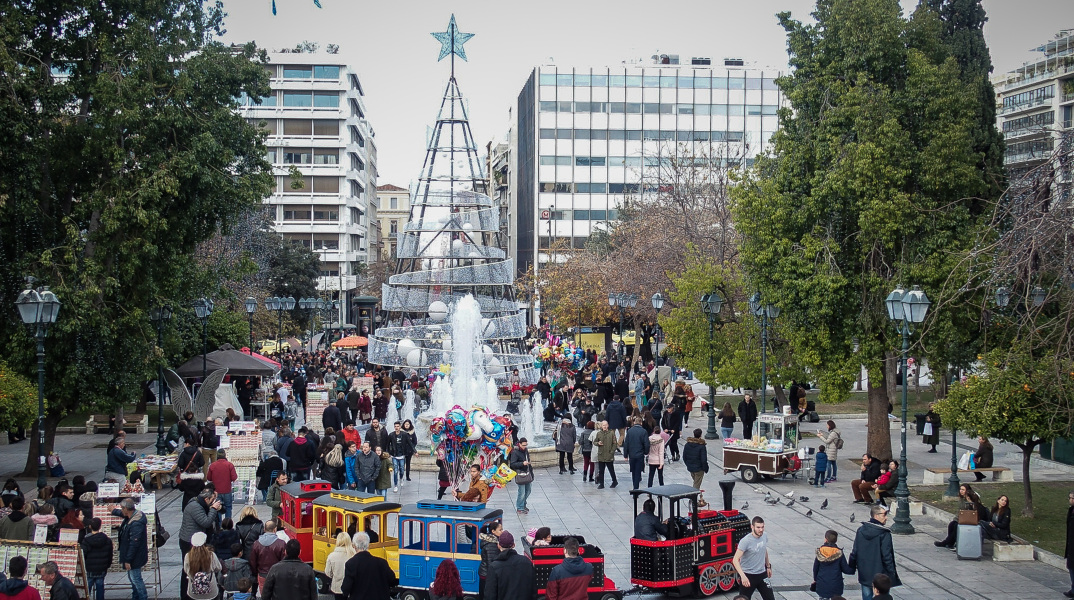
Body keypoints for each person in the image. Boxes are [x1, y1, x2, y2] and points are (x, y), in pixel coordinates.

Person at [849, 504, 900, 600]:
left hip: (864, 573)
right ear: (876, 516)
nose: (886, 517)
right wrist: (892, 573)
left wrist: (851, 567)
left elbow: (855, 551)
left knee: (866, 597)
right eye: (884, 514)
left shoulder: (861, 530)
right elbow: (886, 555)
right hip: (881, 574)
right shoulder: (884, 533)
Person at [341, 531, 397, 600]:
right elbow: (392, 581)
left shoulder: (351, 564)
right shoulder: (382, 563)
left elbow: (346, 589)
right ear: (368, 545)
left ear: (354, 546)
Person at [112, 498, 148, 600]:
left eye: (122, 508)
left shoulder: (136, 523)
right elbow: (122, 514)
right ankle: (136, 597)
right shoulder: (132, 516)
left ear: (126, 509)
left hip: (135, 557)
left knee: (136, 579)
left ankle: (142, 597)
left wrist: (128, 560)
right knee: (133, 579)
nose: (121, 510)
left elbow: (134, 543)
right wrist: (114, 511)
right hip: (133, 555)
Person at [732, 516, 775, 600]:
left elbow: (764, 550)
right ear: (752, 527)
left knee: (770, 598)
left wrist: (768, 566)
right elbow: (735, 560)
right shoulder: (746, 541)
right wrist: (743, 576)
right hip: (748, 575)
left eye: (762, 527)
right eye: (758, 527)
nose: (761, 530)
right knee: (744, 598)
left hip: (762, 574)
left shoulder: (764, 536)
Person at [933, 483, 988, 549]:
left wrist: (970, 502)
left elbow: (974, 512)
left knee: (956, 526)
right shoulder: (962, 499)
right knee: (952, 524)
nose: (961, 491)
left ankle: (946, 542)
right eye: (960, 489)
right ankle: (950, 543)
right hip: (961, 519)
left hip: (970, 521)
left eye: (963, 489)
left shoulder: (973, 501)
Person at [485, 530, 536, 600]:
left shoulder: (494, 567)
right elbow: (533, 589)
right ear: (513, 545)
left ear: (499, 545)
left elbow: (490, 595)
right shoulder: (526, 562)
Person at [812, 529, 853, 600]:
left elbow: (815, 568)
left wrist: (816, 579)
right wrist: (853, 563)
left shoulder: (820, 552)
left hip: (822, 584)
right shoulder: (839, 553)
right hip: (836, 585)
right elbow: (847, 570)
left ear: (825, 539)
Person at [80, 518, 113, 600]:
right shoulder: (107, 540)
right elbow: (110, 554)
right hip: (102, 568)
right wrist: (107, 565)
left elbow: (83, 555)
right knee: (100, 587)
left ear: (90, 526)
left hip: (89, 568)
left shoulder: (86, 541)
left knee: (87, 589)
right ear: (100, 526)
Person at [183, 532, 222, 600]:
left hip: (194, 592)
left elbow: (186, 570)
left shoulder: (188, 556)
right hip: (211, 591)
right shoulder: (211, 555)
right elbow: (218, 568)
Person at [207, 449, 239, 520]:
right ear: (225, 455)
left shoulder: (212, 465)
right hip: (227, 490)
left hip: (216, 491)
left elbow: (209, 478)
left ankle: (219, 525)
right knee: (228, 507)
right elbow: (234, 477)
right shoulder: (229, 465)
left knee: (217, 507)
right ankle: (227, 524)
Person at [324, 532, 355, 600]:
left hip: (337, 588)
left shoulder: (331, 556)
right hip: (352, 588)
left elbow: (328, 573)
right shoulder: (353, 555)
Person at [683, 429, 710, 507]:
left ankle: (695, 498)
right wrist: (705, 468)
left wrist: (688, 464)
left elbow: (684, 457)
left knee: (695, 481)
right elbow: (703, 459)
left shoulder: (687, 444)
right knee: (696, 484)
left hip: (691, 467)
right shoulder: (701, 446)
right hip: (699, 468)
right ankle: (693, 499)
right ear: (700, 435)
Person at [622, 417, 650, 490]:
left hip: (632, 454)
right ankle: (636, 487)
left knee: (633, 471)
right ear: (641, 423)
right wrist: (646, 452)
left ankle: (635, 484)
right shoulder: (644, 431)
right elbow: (646, 444)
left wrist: (625, 455)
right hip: (640, 454)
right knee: (638, 471)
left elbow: (626, 444)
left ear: (634, 422)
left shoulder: (630, 431)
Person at [479, 521, 503, 599]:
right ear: (493, 531)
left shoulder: (494, 542)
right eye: (500, 530)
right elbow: (491, 564)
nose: (502, 532)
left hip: (485, 574)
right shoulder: (491, 545)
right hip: (487, 576)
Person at [387, 421, 414, 492]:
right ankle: (395, 485)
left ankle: (401, 478)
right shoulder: (391, 435)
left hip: (402, 455)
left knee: (402, 469)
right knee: (395, 470)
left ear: (400, 427)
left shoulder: (404, 435)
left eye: (398, 426)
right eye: (395, 426)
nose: (396, 428)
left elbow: (410, 443)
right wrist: (388, 452)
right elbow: (388, 444)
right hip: (394, 455)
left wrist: (415, 451)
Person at [510, 438, 533, 514]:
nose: (525, 447)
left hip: (527, 473)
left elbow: (528, 461)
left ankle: (523, 504)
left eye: (526, 445)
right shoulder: (515, 452)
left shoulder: (526, 451)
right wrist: (522, 463)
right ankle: (520, 507)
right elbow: (512, 464)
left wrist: (531, 473)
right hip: (520, 474)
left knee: (528, 490)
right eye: (523, 445)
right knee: (522, 492)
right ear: (519, 444)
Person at [594, 421, 619, 489]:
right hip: (601, 454)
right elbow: (595, 442)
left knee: (611, 469)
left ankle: (614, 481)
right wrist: (598, 443)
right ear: (601, 426)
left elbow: (614, 443)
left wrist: (612, 452)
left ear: (608, 425)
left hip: (609, 454)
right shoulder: (599, 433)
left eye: (605, 425)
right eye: (603, 425)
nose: (604, 427)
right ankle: (601, 483)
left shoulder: (611, 433)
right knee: (601, 470)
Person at [1066, 490, 1074, 598]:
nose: (1070, 500)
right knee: (1071, 566)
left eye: (1072, 498)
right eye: (1070, 497)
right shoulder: (1071, 510)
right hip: (1071, 544)